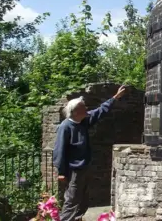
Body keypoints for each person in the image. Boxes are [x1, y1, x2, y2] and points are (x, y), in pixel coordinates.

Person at [53, 86, 127, 221]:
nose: (86, 108)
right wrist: (61, 172)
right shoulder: (65, 127)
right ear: (75, 111)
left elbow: (100, 111)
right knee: (72, 200)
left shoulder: (83, 122)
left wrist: (115, 97)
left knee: (83, 200)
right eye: (83, 107)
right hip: (73, 170)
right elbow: (59, 151)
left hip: (84, 168)